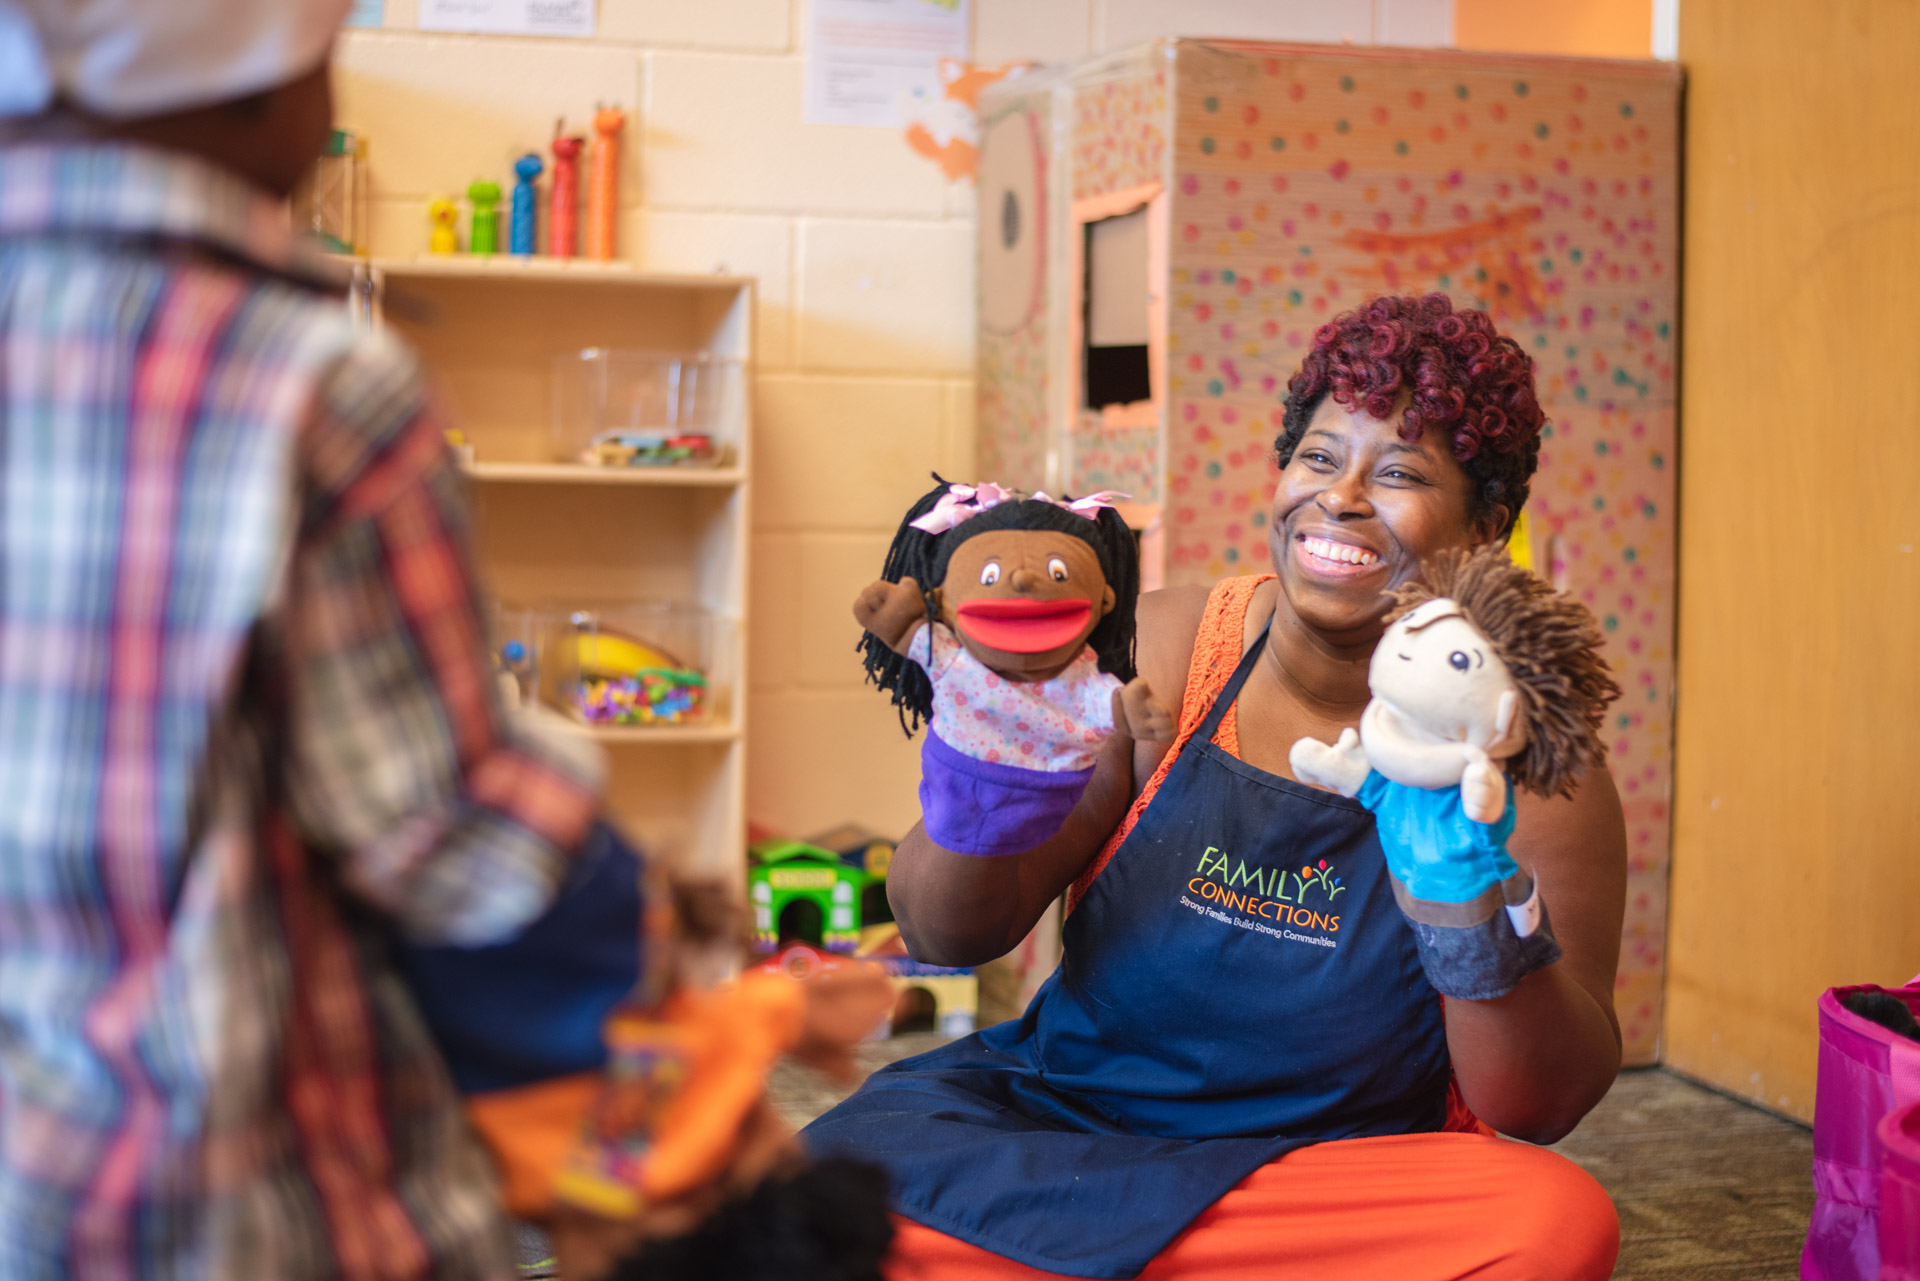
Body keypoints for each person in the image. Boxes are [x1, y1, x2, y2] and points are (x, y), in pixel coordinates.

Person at [807, 293, 1627, 1280]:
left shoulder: (1520, 756)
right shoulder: (1163, 649)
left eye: (1401, 472)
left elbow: (1535, 1105)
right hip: (1072, 1129)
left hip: (1326, 1184)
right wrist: (990, 768)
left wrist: (1469, 907)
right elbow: (949, 935)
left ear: (1487, 523)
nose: (1342, 498)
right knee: (813, 1186)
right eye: (1319, 458)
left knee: (1550, 1225)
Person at [0, 4, 621, 1276]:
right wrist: (679, 1015)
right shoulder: (306, 377)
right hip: (232, 1195)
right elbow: (444, 844)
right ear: (255, 85)